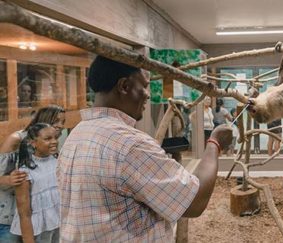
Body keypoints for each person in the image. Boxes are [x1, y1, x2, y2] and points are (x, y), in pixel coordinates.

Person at [57, 56, 232, 242]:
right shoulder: (129, 144)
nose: (147, 94)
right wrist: (214, 143)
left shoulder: (75, 135)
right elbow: (194, 202)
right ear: (124, 86)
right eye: (144, 86)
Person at [0, 105, 65, 241]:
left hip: (39, 215)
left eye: (63, 122)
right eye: (56, 121)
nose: (61, 126)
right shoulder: (17, 139)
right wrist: (8, 180)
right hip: (9, 213)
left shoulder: (51, 148)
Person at [11, 123, 60, 243]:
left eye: (55, 137)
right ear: (33, 143)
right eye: (48, 139)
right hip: (39, 231)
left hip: (60, 225)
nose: (54, 141)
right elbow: (24, 214)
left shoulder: (58, 161)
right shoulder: (25, 172)